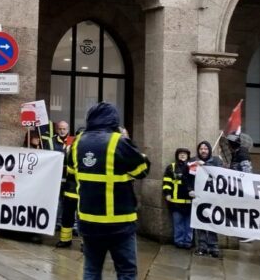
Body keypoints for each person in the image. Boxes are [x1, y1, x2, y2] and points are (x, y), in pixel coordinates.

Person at [69, 103, 149, 280]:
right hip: (120, 221)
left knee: (91, 269)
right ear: (114, 120)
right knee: (126, 271)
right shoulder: (118, 141)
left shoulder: (77, 142)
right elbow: (142, 170)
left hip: (88, 220)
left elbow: (72, 172)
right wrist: (130, 142)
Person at [192, 140, 223, 258]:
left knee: (212, 222)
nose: (203, 151)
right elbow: (188, 176)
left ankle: (213, 247)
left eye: (205, 148)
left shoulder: (216, 161)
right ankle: (202, 247)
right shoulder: (193, 162)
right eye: (201, 149)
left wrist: (204, 166)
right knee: (200, 223)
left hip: (213, 198)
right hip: (199, 198)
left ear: (209, 150)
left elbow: (220, 174)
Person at [56, 127, 82, 249]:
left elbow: (70, 168)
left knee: (68, 216)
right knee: (79, 217)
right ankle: (82, 243)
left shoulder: (72, 148)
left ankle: (65, 240)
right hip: (79, 188)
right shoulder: (77, 148)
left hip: (72, 188)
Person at [162, 147, 193, 249]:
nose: (183, 155)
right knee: (178, 223)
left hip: (190, 201)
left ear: (188, 156)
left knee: (189, 224)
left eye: (185, 153)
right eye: (180, 153)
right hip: (176, 202)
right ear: (177, 155)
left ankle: (188, 241)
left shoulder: (193, 167)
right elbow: (166, 182)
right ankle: (179, 241)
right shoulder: (171, 167)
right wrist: (167, 193)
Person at [226, 133, 254, 242]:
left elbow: (247, 171)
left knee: (243, 212)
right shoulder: (236, 153)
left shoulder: (242, 153)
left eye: (229, 144)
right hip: (237, 187)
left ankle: (248, 234)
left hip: (242, 188)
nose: (228, 146)